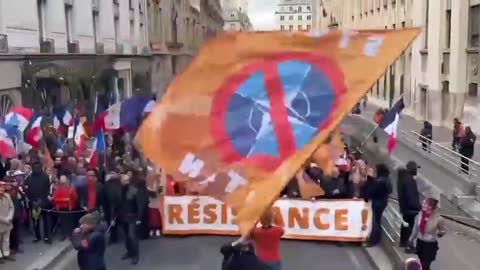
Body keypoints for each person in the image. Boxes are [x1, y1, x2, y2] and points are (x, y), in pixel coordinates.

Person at [408, 198, 446, 270]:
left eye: (424, 203)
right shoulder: (420, 214)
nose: (422, 205)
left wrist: (440, 234)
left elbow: (442, 230)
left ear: (430, 206)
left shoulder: (438, 218)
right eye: (422, 203)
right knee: (422, 263)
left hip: (430, 245)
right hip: (420, 242)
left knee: (426, 265)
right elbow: (415, 228)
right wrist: (411, 239)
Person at [363, 164, 393, 246]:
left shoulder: (379, 181)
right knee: (378, 221)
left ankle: (373, 240)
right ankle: (377, 240)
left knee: (375, 222)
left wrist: (370, 179)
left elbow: (371, 191)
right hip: (383, 202)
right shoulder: (387, 180)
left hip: (376, 202)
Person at [117, 171, 143, 265]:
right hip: (123, 216)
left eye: (126, 180)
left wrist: (139, 218)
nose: (125, 182)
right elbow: (117, 204)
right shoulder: (119, 191)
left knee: (132, 236)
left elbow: (140, 205)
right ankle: (129, 252)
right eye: (123, 180)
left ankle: (135, 255)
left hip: (133, 217)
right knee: (126, 237)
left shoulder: (134, 190)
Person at [24, 162, 52, 243]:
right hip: (33, 202)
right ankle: (37, 236)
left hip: (43, 202)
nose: (36, 169)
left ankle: (47, 236)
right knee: (35, 220)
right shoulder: (29, 178)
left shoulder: (45, 177)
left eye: (37, 167)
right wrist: (32, 200)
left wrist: (42, 200)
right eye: (34, 167)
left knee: (46, 220)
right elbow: (27, 190)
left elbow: (47, 190)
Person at [397, 162, 421, 248]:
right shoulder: (410, 180)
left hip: (405, 207)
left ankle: (403, 242)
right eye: (416, 168)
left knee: (405, 225)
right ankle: (408, 245)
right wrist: (418, 207)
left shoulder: (404, 179)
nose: (417, 171)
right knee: (411, 227)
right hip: (410, 208)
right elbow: (411, 195)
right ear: (412, 169)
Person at [52, 175, 78, 240]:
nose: (63, 183)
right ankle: (64, 234)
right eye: (62, 182)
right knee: (63, 222)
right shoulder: (58, 188)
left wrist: (69, 200)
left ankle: (70, 235)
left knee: (69, 221)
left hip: (69, 207)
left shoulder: (71, 188)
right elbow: (55, 198)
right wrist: (65, 200)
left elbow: (75, 198)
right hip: (61, 207)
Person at [0, 182, 14, 263]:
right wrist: (5, 220)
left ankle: (6, 254)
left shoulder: (7, 196)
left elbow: (12, 207)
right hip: (1, 223)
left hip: (8, 223)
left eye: (2, 187)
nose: (1, 188)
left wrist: (10, 217)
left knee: (6, 239)